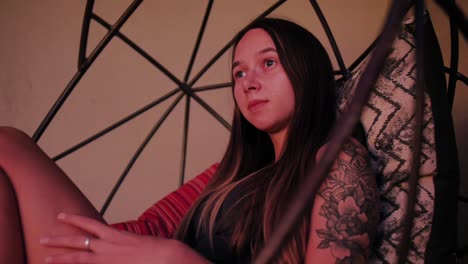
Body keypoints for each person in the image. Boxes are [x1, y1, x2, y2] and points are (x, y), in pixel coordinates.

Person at [0, 18, 378, 263]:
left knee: (8, 144)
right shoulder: (237, 173)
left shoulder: (337, 160)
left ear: (307, 70)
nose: (248, 82)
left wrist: (173, 258)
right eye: (238, 72)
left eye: (268, 63)